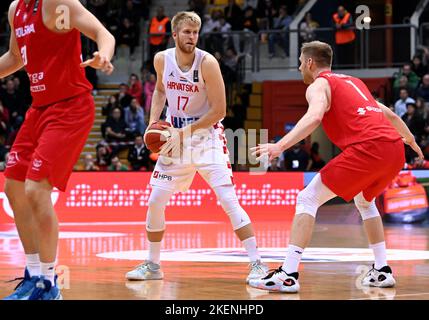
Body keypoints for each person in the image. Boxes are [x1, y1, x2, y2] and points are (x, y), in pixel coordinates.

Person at [250, 41, 423, 293]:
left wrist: (281, 146)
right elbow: (391, 116)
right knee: (365, 201)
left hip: (369, 148)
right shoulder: (355, 82)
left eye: (300, 61)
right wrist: (410, 140)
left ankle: (288, 273)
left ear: (310, 62)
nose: (299, 67)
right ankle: (382, 270)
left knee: (307, 198)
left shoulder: (319, 84)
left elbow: (314, 116)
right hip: (394, 149)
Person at [125, 11, 268, 284]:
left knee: (228, 199)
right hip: (173, 136)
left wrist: (184, 133)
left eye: (195, 32)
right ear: (175, 34)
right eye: (187, 32)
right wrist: (153, 121)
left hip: (206, 136)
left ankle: (257, 264)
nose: (192, 37)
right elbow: (159, 90)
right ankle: (153, 265)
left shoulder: (208, 63)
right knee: (155, 201)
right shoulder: (161, 59)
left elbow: (220, 110)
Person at [2, 0, 115, 300]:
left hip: (71, 107)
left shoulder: (59, 3)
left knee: (36, 189)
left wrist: (103, 55)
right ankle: (33, 275)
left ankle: (50, 285)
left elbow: (104, 34)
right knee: (13, 186)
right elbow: (15, 57)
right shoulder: (16, 9)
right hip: (39, 110)